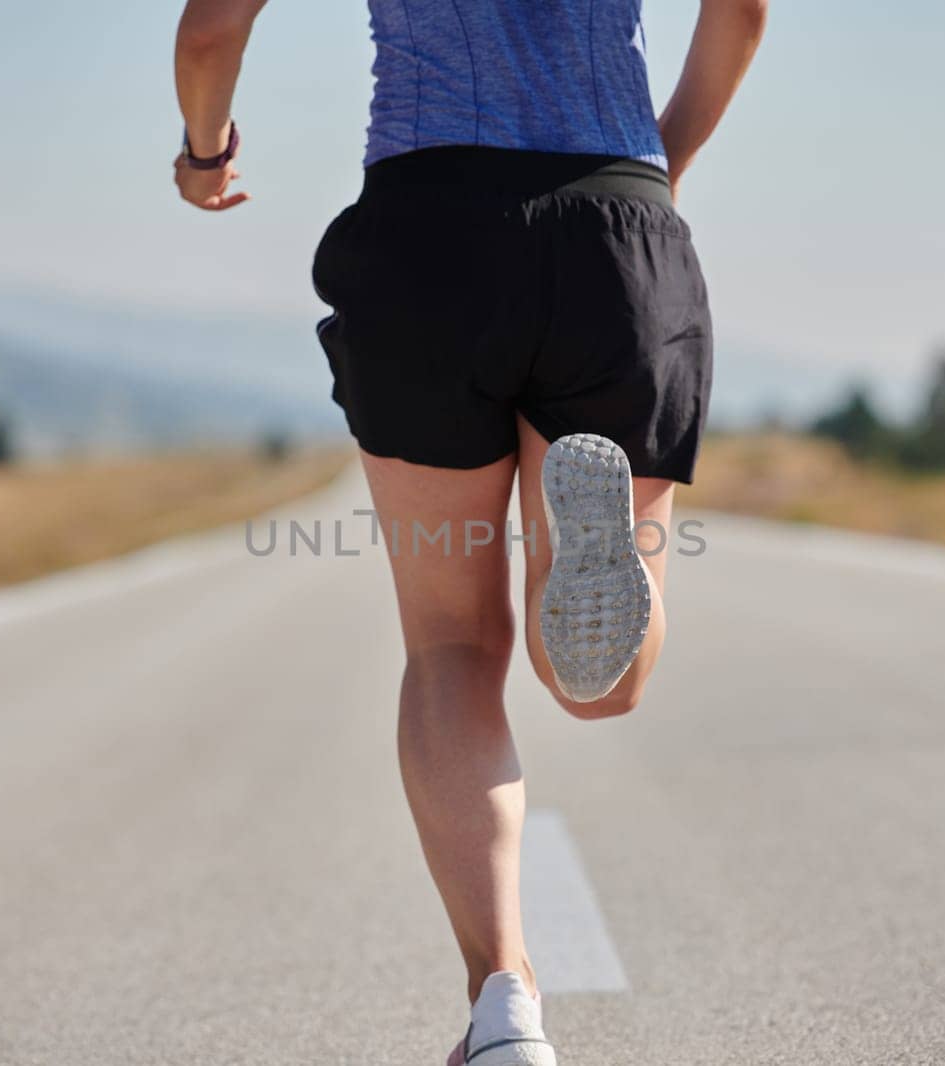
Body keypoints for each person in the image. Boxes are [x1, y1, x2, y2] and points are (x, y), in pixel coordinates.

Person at [174, 2, 766, 1061]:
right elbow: (744, 9)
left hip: (426, 235)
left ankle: (505, 1005)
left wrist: (203, 151)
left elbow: (214, 25)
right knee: (599, 682)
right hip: (614, 231)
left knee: (451, 645)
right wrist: (654, 160)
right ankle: (593, 571)